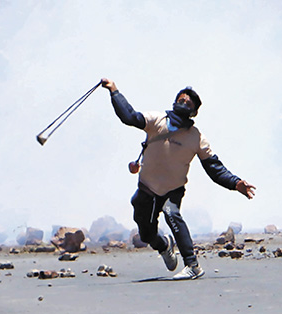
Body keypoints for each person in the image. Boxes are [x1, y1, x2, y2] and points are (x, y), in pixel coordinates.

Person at [100, 79, 256, 280]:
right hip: (147, 187)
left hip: (173, 189)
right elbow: (129, 117)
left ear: (194, 112)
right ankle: (164, 245)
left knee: (171, 212)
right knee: (146, 234)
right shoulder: (156, 120)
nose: (183, 103)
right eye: (181, 100)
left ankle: (193, 265)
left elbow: (215, 169)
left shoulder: (196, 138)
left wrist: (236, 183)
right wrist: (114, 91)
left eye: (189, 103)